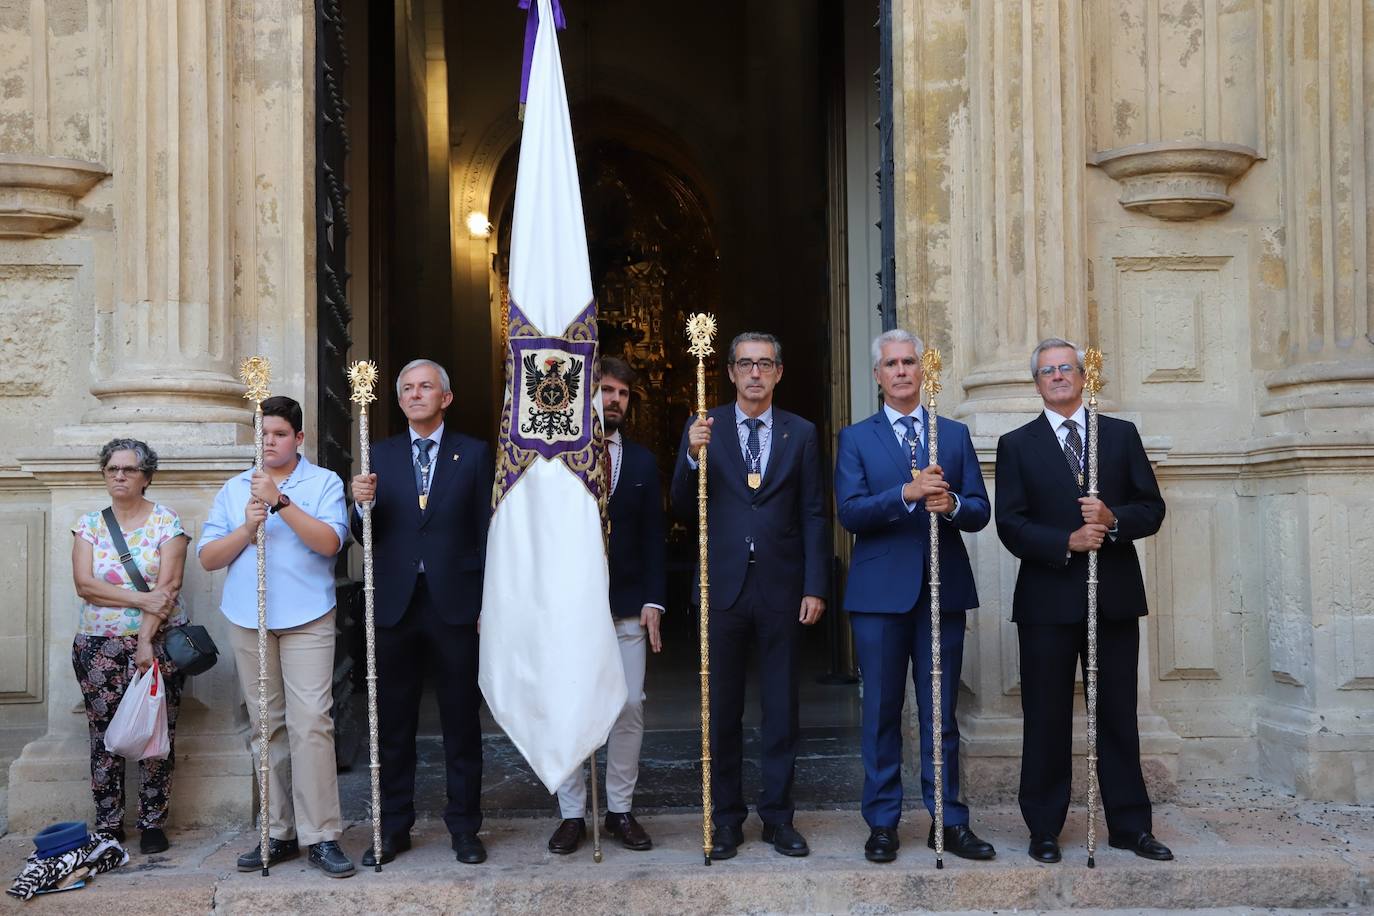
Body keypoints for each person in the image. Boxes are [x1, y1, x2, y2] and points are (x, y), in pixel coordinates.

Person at [995, 337, 1171, 864]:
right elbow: (1010, 523)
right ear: (1037, 383)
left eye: (1065, 368)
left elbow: (1152, 508)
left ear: (1082, 375)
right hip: (1047, 601)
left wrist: (1113, 520)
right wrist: (1065, 542)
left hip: (1113, 598)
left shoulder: (1118, 436)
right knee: (1045, 716)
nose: (1057, 376)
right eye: (1047, 371)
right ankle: (1044, 827)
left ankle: (1130, 825)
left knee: (1117, 714)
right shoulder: (1017, 443)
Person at [834, 329, 996, 864]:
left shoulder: (950, 434)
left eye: (909, 362)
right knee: (881, 713)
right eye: (891, 364)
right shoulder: (856, 438)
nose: (902, 371)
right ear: (877, 375)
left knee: (939, 714)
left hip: (940, 593)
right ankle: (882, 823)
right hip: (879, 597)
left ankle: (947, 820)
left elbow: (979, 509)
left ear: (921, 372)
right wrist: (905, 494)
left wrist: (949, 505)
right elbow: (851, 512)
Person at [670, 331, 829, 859]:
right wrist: (692, 458)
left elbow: (813, 512)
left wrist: (815, 584)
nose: (755, 373)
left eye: (765, 364)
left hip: (783, 587)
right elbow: (679, 504)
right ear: (732, 373)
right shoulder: (704, 428)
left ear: (779, 372)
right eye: (745, 364)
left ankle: (779, 819)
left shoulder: (801, 433)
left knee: (781, 707)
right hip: (723, 586)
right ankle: (726, 819)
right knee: (722, 708)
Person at [198, 395, 355, 878]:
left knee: (312, 723)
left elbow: (330, 542)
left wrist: (280, 502)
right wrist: (248, 525)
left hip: (308, 615)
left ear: (299, 438)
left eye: (279, 434)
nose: (269, 442)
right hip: (250, 618)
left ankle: (322, 834)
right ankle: (278, 830)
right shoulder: (234, 489)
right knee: (268, 726)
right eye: (262, 434)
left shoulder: (324, 482)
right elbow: (208, 557)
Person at [350, 359, 492, 866]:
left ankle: (465, 829)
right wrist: (357, 504)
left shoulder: (474, 454)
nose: (415, 394)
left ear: (445, 397)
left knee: (461, 723)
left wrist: (488, 604)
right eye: (407, 388)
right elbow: (366, 535)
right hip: (395, 606)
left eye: (425, 386)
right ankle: (391, 828)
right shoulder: (379, 454)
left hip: (456, 605)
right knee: (393, 725)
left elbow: (486, 531)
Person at [548, 357, 666, 855]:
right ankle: (573, 813)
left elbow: (654, 538)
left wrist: (654, 601)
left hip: (627, 607)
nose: (614, 399)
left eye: (622, 393)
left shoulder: (640, 461)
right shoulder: (557, 458)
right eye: (606, 390)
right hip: (568, 607)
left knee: (629, 708)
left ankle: (619, 809)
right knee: (570, 709)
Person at [70, 438, 187, 855]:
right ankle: (109, 822)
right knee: (104, 736)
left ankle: (153, 822)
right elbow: (85, 585)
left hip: (155, 645)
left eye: (129, 469)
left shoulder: (166, 523)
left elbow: (169, 587)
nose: (119, 475)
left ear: (147, 477)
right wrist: (141, 599)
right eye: (112, 469)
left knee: (156, 732)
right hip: (96, 645)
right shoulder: (89, 525)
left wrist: (144, 641)